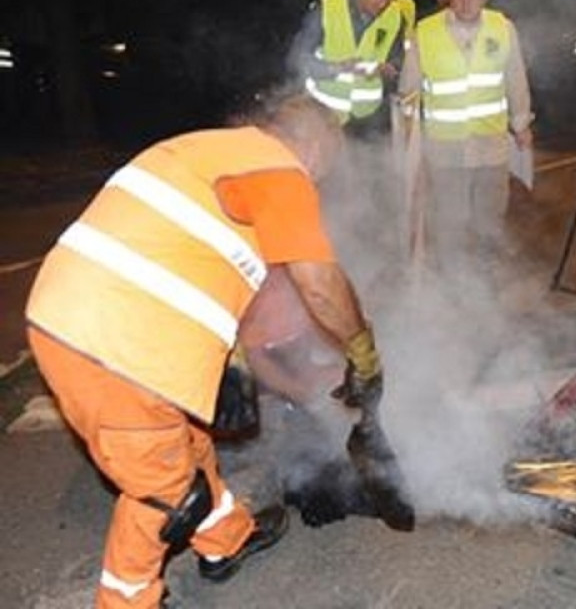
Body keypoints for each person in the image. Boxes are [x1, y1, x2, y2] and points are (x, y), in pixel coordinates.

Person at [24, 92, 385, 608]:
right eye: (331, 159)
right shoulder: (279, 169)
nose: (323, 178)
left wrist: (232, 358)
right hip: (117, 345)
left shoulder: (206, 151)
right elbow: (320, 284)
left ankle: (225, 541)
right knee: (166, 493)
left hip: (72, 316)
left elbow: (188, 258)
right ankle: (124, 600)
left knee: (188, 442)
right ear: (315, 142)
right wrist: (363, 351)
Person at [398, 0, 533, 268]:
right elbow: (409, 90)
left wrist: (521, 123)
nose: (464, 4)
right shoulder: (426, 31)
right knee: (450, 222)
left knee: (490, 220)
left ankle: (485, 277)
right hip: (445, 149)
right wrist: (407, 133)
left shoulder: (503, 28)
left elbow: (515, 78)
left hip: (491, 146)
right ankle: (455, 282)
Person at [289, 0, 406, 138]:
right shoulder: (326, 9)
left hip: (368, 122)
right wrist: (336, 68)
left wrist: (389, 69)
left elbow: (397, 59)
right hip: (323, 116)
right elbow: (296, 59)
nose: (382, 3)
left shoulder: (395, 17)